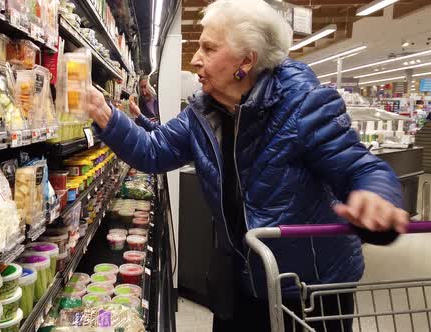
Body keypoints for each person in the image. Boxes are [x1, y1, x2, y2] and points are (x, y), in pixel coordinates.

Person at [85, 0, 409, 331]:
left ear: (246, 60)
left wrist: (375, 198)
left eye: (208, 48)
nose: (195, 59)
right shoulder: (203, 113)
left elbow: (362, 168)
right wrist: (107, 117)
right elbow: (154, 151)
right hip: (240, 280)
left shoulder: (302, 103)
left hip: (307, 293)